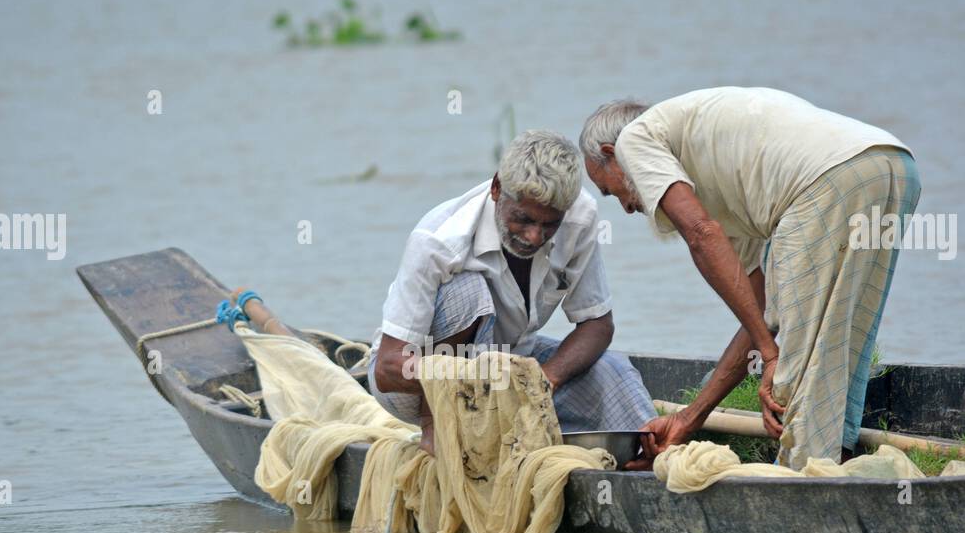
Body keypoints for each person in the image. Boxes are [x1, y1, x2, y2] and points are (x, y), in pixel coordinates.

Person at [580, 88, 921, 468]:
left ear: (613, 154)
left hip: (828, 179)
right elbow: (758, 312)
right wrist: (690, 417)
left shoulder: (634, 140)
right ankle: (836, 462)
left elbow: (700, 234)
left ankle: (804, 486)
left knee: (800, 360)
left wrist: (772, 354)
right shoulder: (722, 176)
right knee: (840, 341)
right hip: (890, 165)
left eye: (609, 191)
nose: (627, 209)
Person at [368, 130, 656, 454]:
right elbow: (389, 368)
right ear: (496, 189)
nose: (534, 237)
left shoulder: (580, 215)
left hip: (511, 365)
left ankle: (651, 459)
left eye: (549, 225)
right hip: (418, 385)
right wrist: (476, 381)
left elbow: (597, 325)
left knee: (613, 371)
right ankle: (439, 429)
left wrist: (544, 382)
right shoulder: (438, 240)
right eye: (523, 219)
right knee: (469, 292)